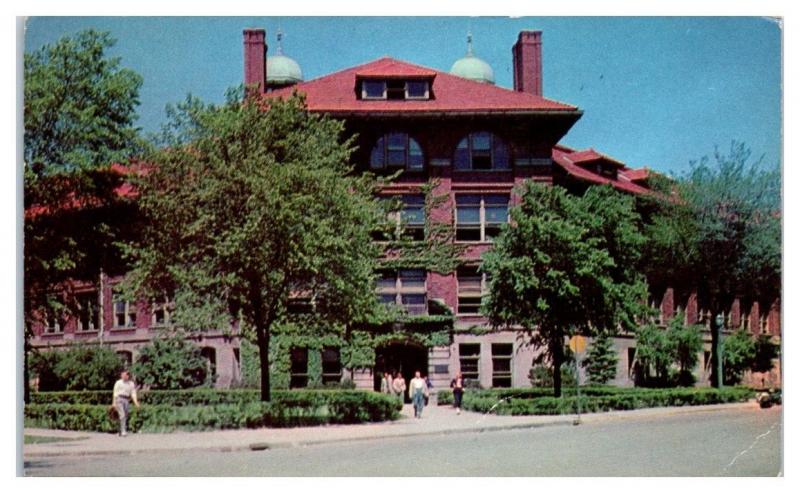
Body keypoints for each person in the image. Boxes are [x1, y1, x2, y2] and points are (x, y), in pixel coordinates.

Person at [112, 370, 139, 436]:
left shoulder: (131, 384)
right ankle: (123, 431)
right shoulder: (118, 383)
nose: (123, 376)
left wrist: (136, 402)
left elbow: (133, 393)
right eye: (122, 375)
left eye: (125, 375)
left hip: (126, 399)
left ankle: (120, 430)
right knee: (122, 414)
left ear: (128, 376)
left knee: (125, 415)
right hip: (119, 399)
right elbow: (115, 393)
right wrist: (114, 403)